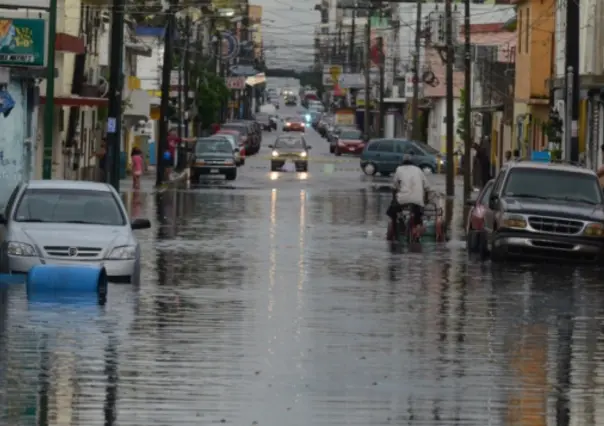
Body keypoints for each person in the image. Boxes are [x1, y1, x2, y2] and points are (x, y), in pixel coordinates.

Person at [386, 154, 431, 241]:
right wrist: (425, 200)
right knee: (418, 214)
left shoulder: (399, 169)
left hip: (403, 199)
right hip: (418, 200)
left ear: (403, 162)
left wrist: (394, 199)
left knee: (392, 212)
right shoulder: (418, 170)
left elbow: (394, 187)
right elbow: (427, 187)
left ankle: (396, 229)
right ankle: (418, 228)